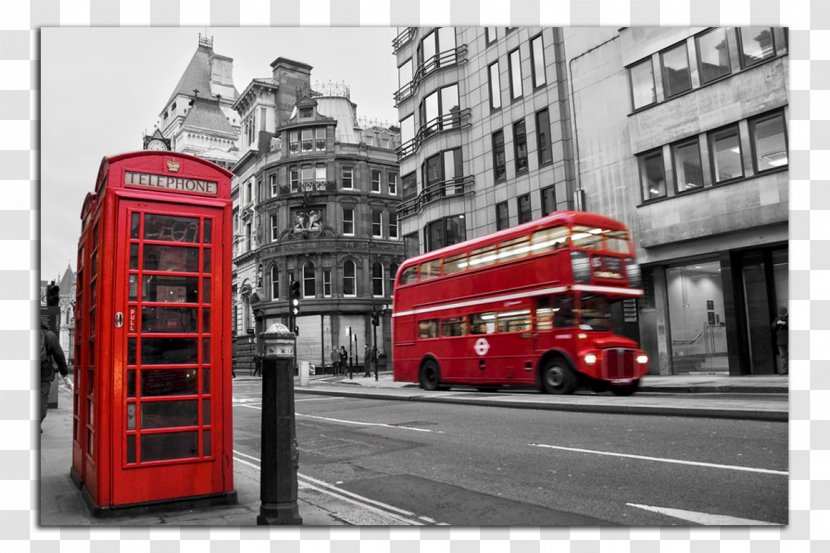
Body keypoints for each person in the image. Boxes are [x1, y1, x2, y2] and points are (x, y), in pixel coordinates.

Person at [40, 318, 70, 432]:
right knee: (41, 400)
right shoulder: (50, 335)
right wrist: (64, 373)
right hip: (43, 374)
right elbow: (59, 355)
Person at [771, 306, 788, 375]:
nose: (781, 315)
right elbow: (773, 327)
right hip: (780, 340)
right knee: (783, 356)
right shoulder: (777, 319)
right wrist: (777, 324)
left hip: (786, 339)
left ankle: (786, 370)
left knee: (785, 356)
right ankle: (785, 370)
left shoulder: (788, 318)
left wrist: (783, 323)